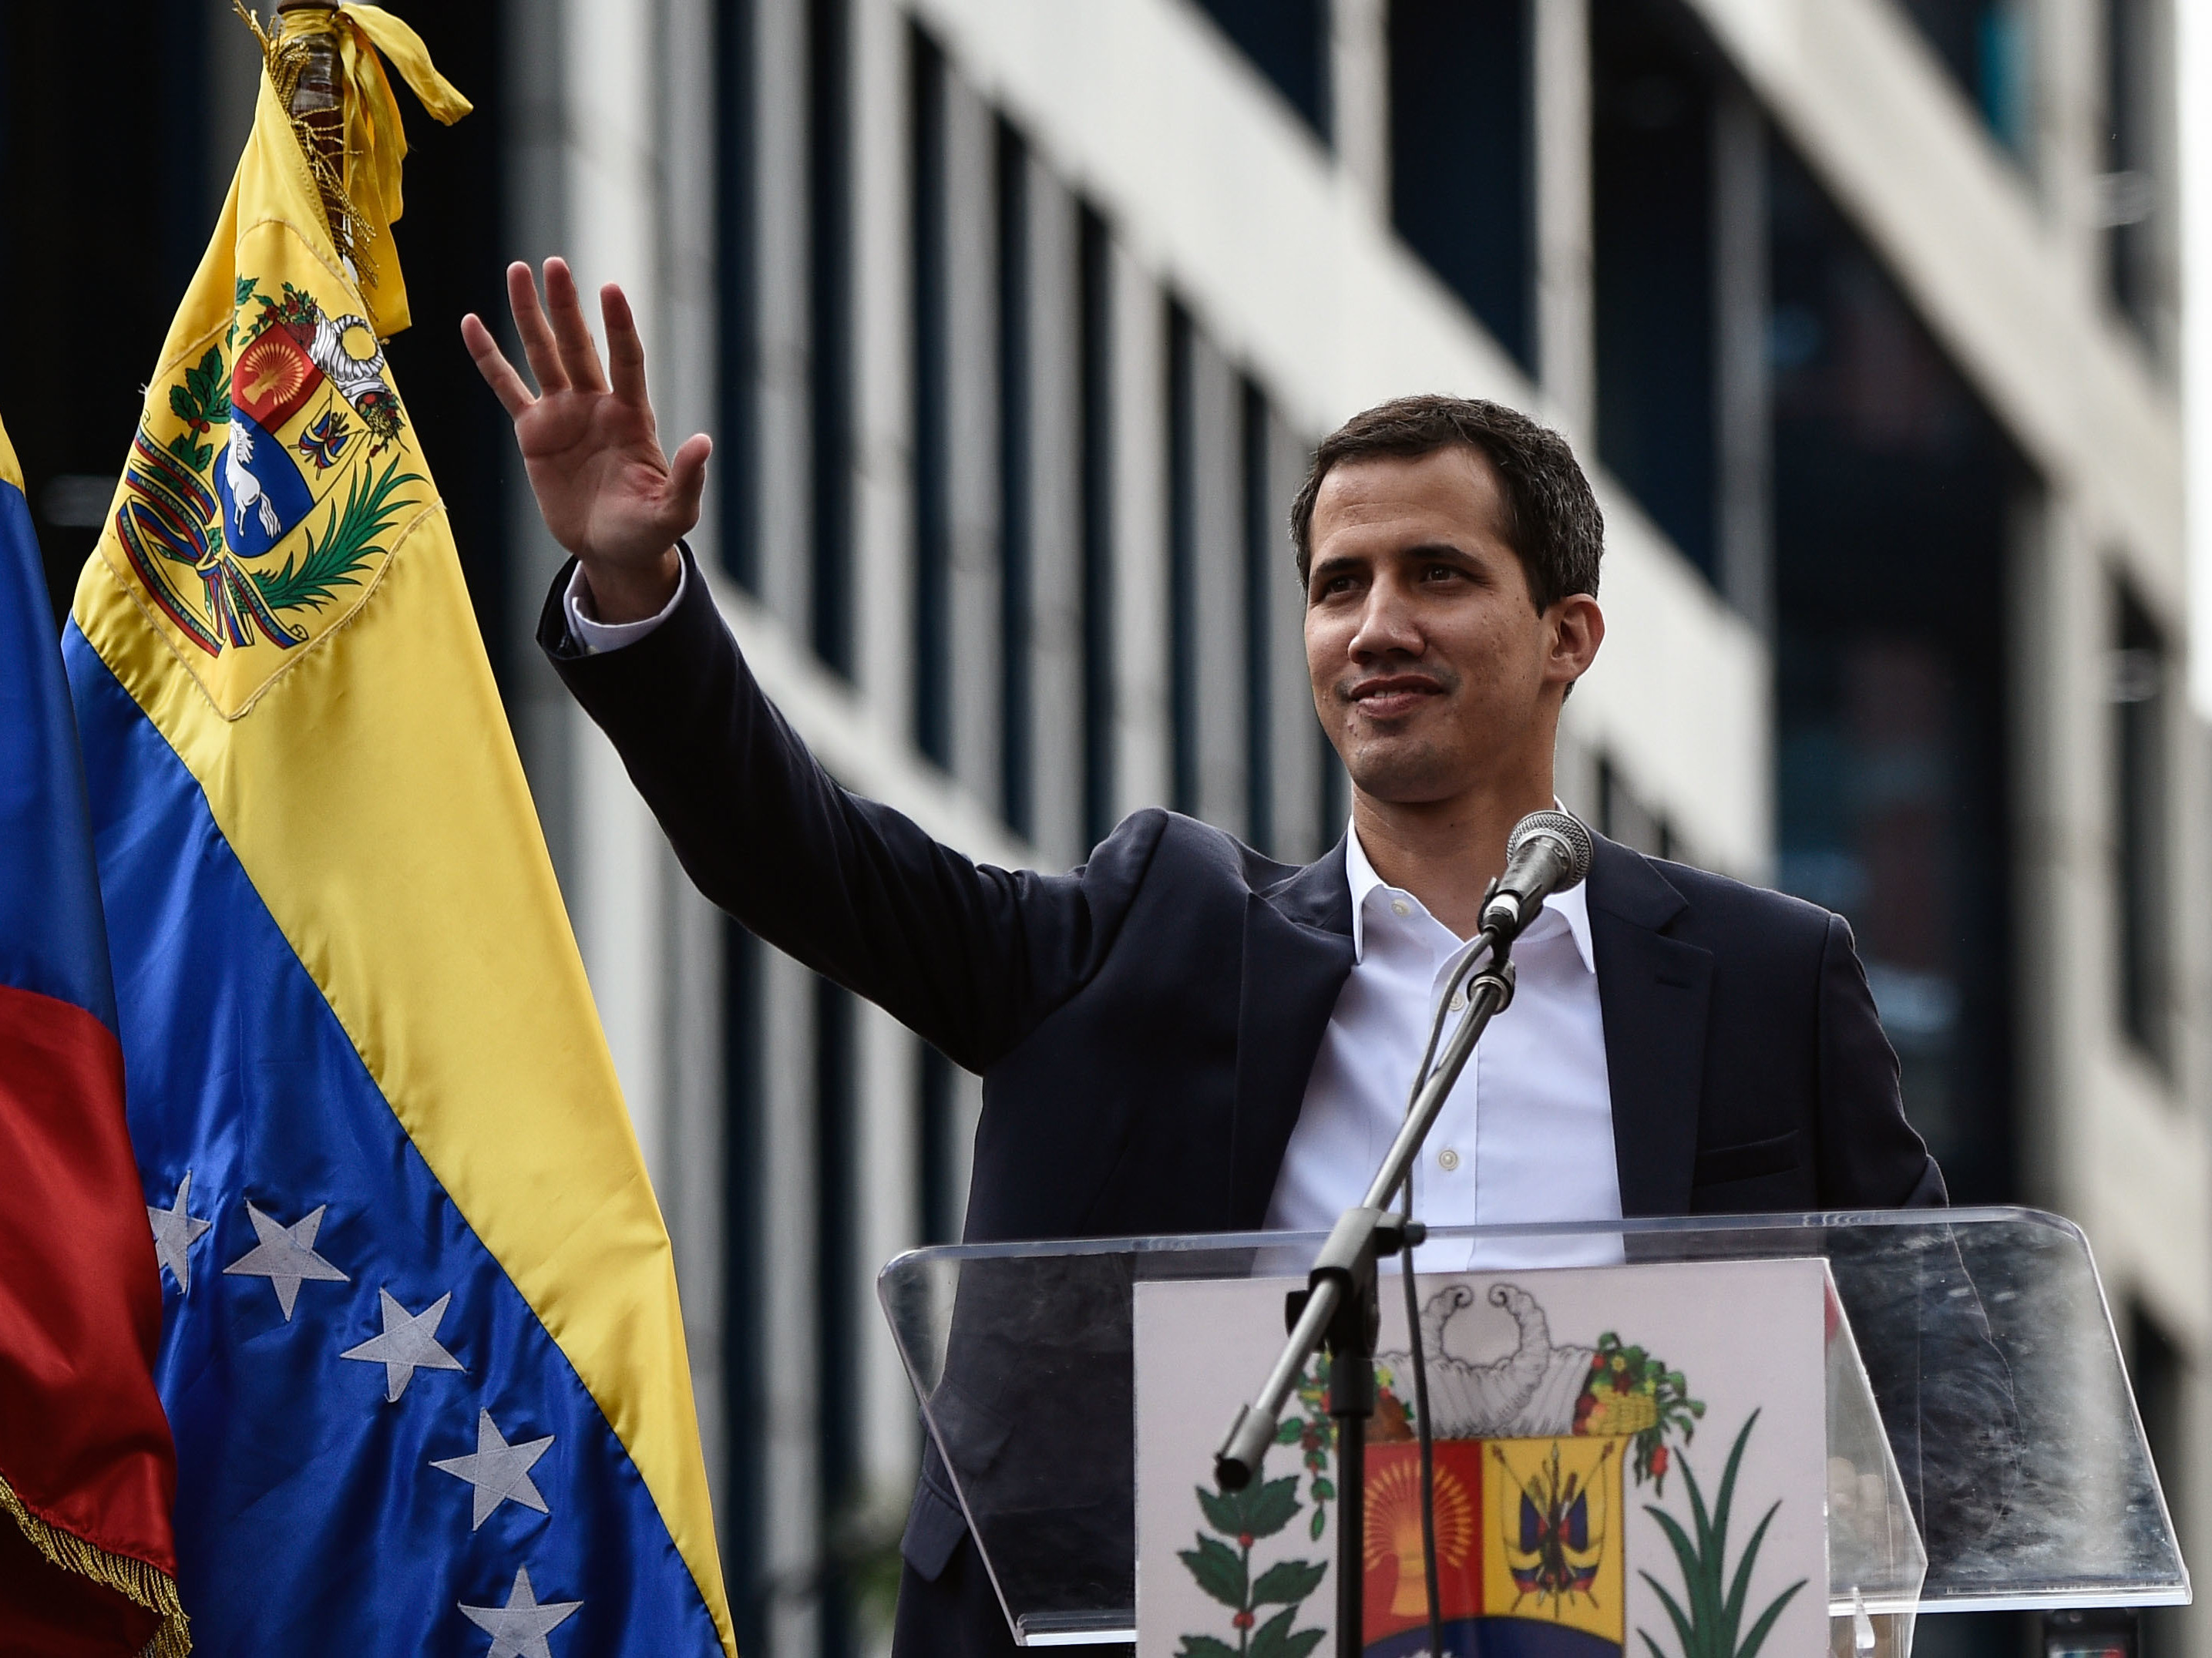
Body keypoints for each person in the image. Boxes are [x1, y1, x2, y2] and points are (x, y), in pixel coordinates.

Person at [464, 259, 1945, 1655]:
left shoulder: (1761, 979)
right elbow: (804, 861)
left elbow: (1934, 1377)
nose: (1374, 627)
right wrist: (639, 602)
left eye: (1435, 575)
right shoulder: (1148, 938)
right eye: (1335, 584)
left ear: (1566, 636)